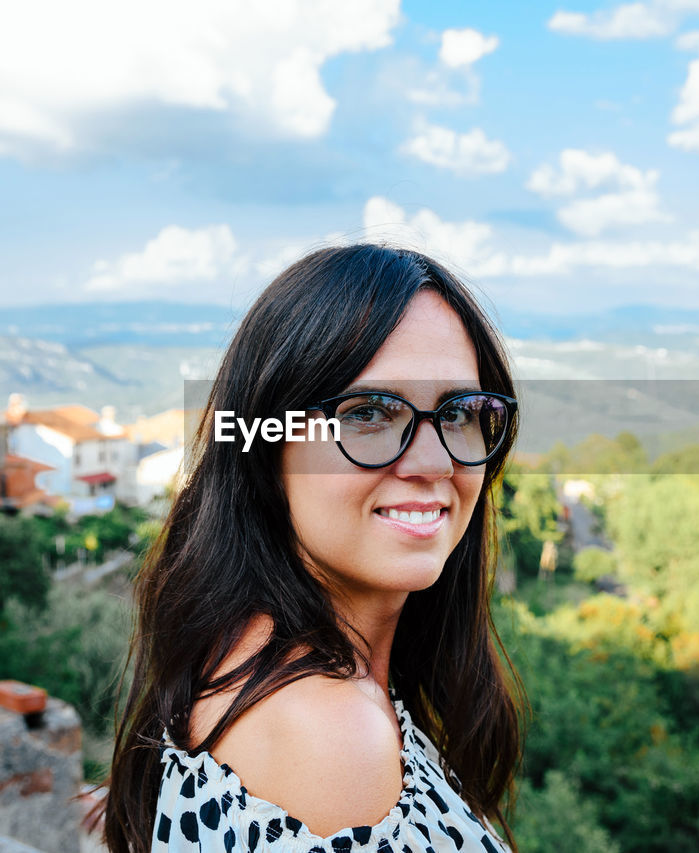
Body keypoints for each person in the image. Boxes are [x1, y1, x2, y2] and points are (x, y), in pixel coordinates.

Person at [102, 244, 525, 852]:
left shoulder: (255, 653)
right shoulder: (327, 733)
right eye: (369, 412)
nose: (435, 461)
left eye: (460, 411)